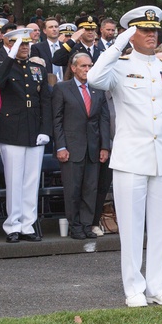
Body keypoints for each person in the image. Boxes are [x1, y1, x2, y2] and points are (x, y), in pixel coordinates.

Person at [87, 5, 162, 307]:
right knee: (131, 229)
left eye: (154, 30)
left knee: (161, 227)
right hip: (131, 158)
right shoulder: (117, 66)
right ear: (131, 34)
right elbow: (94, 78)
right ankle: (133, 287)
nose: (151, 34)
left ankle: (157, 285)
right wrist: (119, 43)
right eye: (144, 30)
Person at [0, 28, 52, 243]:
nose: (25, 48)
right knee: (14, 180)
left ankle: (28, 224)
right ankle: (12, 225)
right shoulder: (4, 67)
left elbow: (45, 100)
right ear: (11, 46)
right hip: (12, 129)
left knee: (31, 181)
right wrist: (10, 55)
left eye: (26, 44)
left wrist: (46, 130)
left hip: (34, 128)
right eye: (20, 44)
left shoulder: (38, 68)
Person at [52, 52, 112, 240]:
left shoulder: (97, 89)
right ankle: (75, 225)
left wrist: (104, 146)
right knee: (73, 189)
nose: (87, 70)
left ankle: (87, 224)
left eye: (90, 66)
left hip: (93, 148)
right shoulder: (62, 88)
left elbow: (104, 120)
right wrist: (61, 146)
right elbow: (57, 120)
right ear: (74, 67)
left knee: (90, 188)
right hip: (71, 147)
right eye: (84, 66)